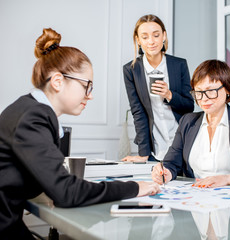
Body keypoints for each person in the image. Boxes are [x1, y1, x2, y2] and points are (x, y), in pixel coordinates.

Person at [0, 28, 160, 239]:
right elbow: (66, 192)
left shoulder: (30, 110)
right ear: (58, 81)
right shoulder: (33, 117)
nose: (90, 96)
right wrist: (133, 188)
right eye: (87, 86)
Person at [152, 60, 230, 187]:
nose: (204, 98)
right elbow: (172, 163)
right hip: (195, 197)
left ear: (227, 89)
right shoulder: (187, 122)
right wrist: (165, 172)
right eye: (199, 92)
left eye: (211, 91)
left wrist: (229, 179)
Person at [122, 14, 194, 162]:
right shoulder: (131, 70)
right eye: (145, 37)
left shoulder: (179, 65)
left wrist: (169, 94)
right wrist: (144, 154)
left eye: (156, 35)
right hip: (156, 149)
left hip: (184, 145)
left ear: (164, 36)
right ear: (138, 40)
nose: (151, 42)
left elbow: (189, 105)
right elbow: (138, 112)